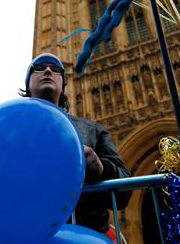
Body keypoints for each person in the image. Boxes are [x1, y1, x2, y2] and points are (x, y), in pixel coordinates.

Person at [20, 53, 132, 242]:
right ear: (28, 82)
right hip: (23, 232)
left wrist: (101, 170)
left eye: (56, 70)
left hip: (82, 234)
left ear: (63, 84)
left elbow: (124, 194)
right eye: (39, 67)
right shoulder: (8, 126)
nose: (48, 70)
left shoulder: (92, 130)